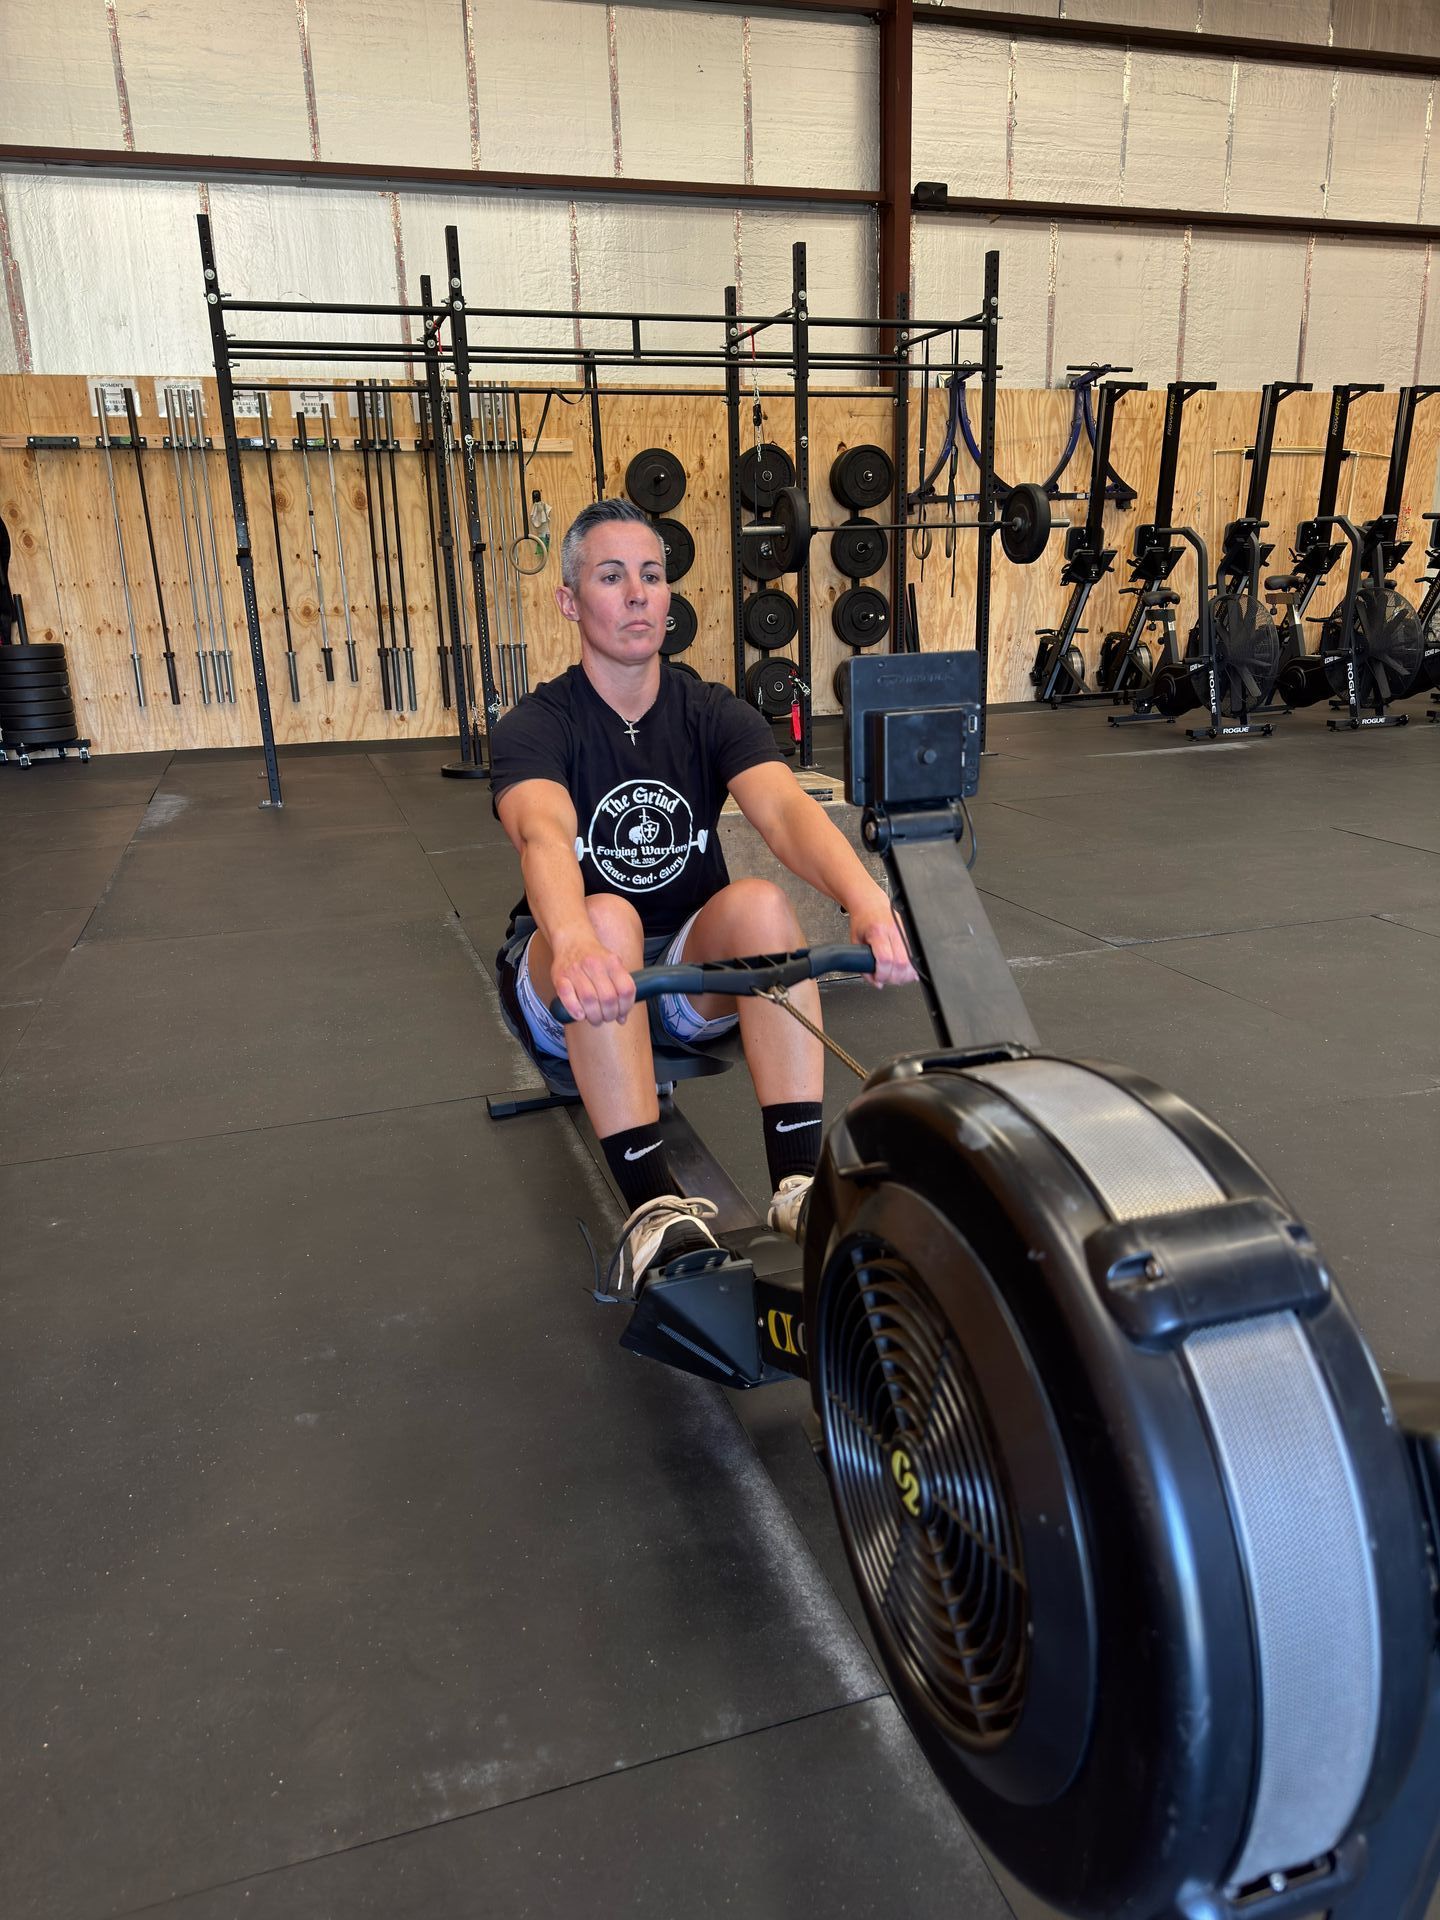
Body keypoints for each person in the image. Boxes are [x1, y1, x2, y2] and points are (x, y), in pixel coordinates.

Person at [490, 498, 914, 1291]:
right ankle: (652, 1209)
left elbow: (784, 811)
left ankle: (799, 1185)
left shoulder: (711, 710)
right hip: (570, 981)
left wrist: (866, 900)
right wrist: (574, 943)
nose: (638, 594)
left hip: (681, 978)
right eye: (611, 578)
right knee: (607, 915)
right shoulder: (538, 724)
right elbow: (543, 835)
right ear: (569, 601)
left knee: (761, 905)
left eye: (652, 576)